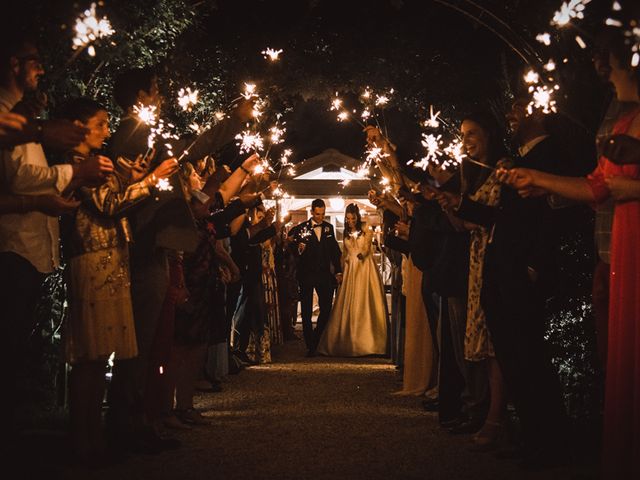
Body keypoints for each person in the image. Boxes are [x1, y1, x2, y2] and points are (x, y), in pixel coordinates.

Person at [504, 33, 640, 477]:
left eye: (610, 55)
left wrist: (633, 190)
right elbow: (596, 186)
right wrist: (537, 179)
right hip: (621, 238)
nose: (603, 63)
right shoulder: (620, 120)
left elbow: (614, 187)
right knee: (621, 361)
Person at [55, 97, 177, 464]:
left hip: (111, 261)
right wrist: (152, 181)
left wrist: (131, 179)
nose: (108, 131)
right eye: (101, 124)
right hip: (92, 261)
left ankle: (95, 440)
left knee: (101, 353)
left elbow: (113, 197)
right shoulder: (76, 165)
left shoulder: (93, 165)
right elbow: (108, 205)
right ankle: (83, 441)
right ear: (79, 126)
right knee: (90, 356)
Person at [317, 203, 387, 356]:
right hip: (350, 268)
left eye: (353, 218)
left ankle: (369, 341)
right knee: (348, 301)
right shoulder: (346, 233)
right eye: (348, 218)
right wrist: (340, 271)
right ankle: (346, 339)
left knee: (365, 300)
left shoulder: (366, 229)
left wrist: (361, 253)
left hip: (364, 268)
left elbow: (367, 248)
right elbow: (343, 254)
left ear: (357, 217)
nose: (350, 221)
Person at [288, 198, 342, 356]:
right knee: (305, 310)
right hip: (306, 274)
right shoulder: (300, 228)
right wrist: (298, 248)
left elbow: (335, 252)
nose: (320, 217)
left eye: (323, 214)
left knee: (326, 308)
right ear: (312, 212)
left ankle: (316, 337)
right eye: (318, 214)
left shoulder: (329, 228)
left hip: (324, 274)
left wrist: (338, 271)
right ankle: (310, 345)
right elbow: (292, 250)